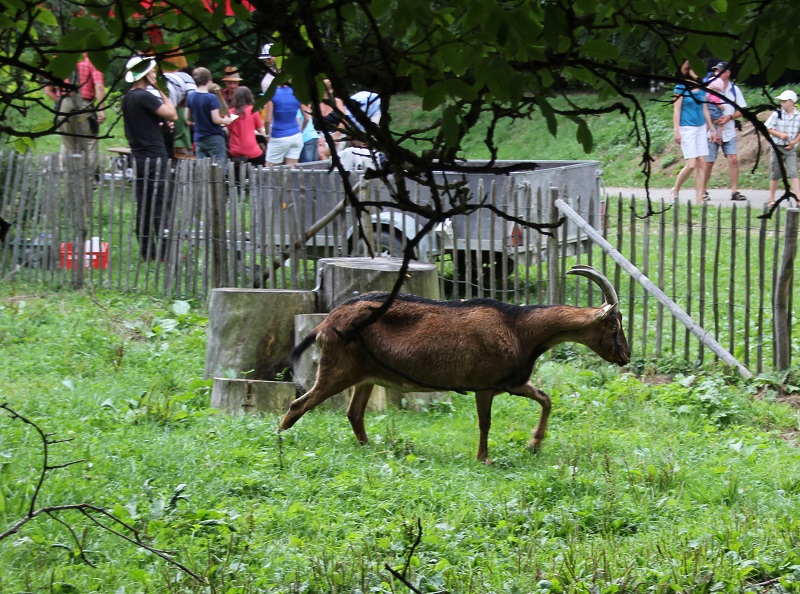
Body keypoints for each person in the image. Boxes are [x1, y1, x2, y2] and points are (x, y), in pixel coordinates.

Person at [120, 56, 178, 261]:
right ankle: (164, 252)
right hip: (154, 156)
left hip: (138, 157)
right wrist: (160, 88)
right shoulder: (145, 96)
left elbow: (142, 124)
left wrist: (158, 125)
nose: (155, 74)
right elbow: (172, 114)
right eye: (152, 71)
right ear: (146, 74)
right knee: (160, 203)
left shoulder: (127, 97)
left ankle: (147, 250)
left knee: (143, 203)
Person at [44, 53, 106, 180]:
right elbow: (99, 86)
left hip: (65, 104)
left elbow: (47, 90)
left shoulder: (60, 59)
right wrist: (101, 110)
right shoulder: (93, 60)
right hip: (84, 105)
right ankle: (89, 179)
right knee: (90, 142)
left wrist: (61, 103)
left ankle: (71, 178)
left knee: (68, 144)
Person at [670, 60, 718, 204]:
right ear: (688, 71)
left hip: (700, 127)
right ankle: (675, 190)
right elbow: (676, 109)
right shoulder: (680, 87)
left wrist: (711, 128)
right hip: (687, 128)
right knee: (691, 165)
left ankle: (699, 199)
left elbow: (704, 109)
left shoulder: (701, 88)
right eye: (694, 68)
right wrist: (676, 130)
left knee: (702, 163)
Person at [701, 61, 748, 201]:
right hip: (711, 130)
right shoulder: (710, 87)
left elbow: (742, 110)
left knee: (733, 159)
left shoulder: (734, 89)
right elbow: (703, 109)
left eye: (720, 71)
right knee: (709, 162)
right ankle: (703, 190)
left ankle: (734, 191)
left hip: (728, 129)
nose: (717, 73)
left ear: (728, 73)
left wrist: (730, 117)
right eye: (716, 71)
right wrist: (711, 124)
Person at [185, 67, 233, 162]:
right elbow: (215, 119)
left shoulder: (191, 96)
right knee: (219, 165)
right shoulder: (211, 98)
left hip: (199, 137)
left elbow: (187, 117)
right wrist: (226, 120)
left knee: (202, 166)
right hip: (214, 136)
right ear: (208, 80)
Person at [765, 90, 800, 206]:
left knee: (793, 172)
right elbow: (768, 128)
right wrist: (780, 135)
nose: (781, 103)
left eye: (784, 101)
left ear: (791, 102)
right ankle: (771, 198)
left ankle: (798, 199)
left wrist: (794, 141)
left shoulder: (798, 115)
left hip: (791, 148)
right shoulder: (777, 114)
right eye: (781, 101)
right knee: (776, 173)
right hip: (777, 147)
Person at [264, 83, 308, 167]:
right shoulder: (297, 93)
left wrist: (267, 134)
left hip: (279, 136)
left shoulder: (272, 94)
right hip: (296, 136)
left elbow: (267, 120)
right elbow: (307, 118)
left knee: (270, 168)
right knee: (291, 169)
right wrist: (301, 130)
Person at [228, 86, 267, 166]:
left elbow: (229, 130)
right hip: (251, 150)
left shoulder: (231, 112)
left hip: (235, 150)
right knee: (265, 160)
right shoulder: (253, 110)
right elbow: (260, 129)